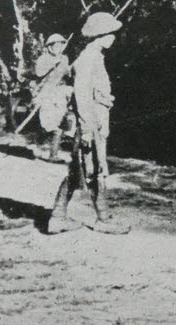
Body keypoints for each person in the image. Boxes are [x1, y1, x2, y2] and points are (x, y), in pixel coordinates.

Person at [47, 12, 128, 235]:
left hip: (95, 122)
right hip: (89, 124)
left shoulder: (95, 57)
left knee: (78, 171)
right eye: (111, 33)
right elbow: (82, 97)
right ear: (100, 35)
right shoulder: (88, 59)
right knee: (94, 170)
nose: (114, 37)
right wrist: (87, 130)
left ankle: (57, 217)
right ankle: (103, 219)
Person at [29, 34, 73, 161]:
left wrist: (68, 68)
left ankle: (53, 154)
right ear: (49, 47)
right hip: (46, 93)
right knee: (47, 124)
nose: (58, 48)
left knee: (59, 123)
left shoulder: (64, 58)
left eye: (60, 45)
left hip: (60, 93)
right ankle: (38, 145)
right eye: (55, 45)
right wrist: (52, 64)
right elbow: (39, 74)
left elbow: (67, 74)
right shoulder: (43, 59)